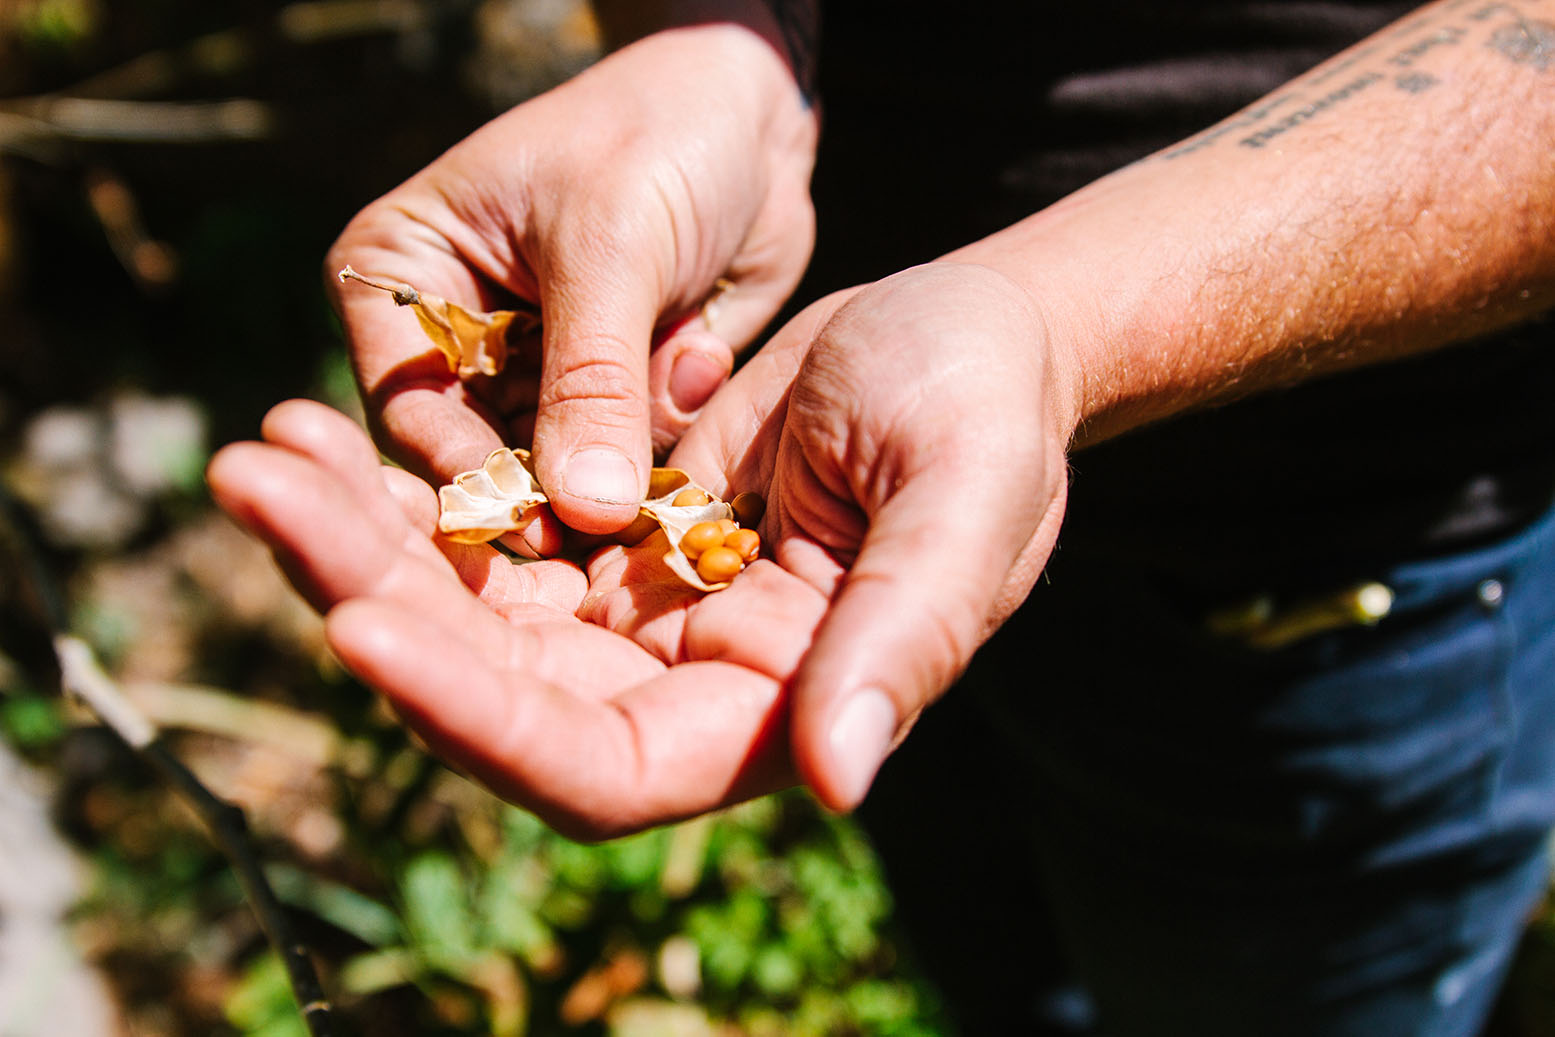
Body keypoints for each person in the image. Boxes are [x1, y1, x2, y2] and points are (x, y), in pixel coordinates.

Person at [208, 0, 1555, 1032]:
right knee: (995, 975)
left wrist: (1050, 321)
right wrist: (724, 46)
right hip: (820, 495)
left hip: (1323, 597)